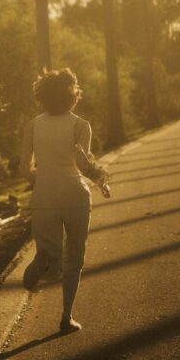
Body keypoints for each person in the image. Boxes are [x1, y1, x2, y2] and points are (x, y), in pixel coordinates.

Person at [19, 68, 110, 334]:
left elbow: (24, 169)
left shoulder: (33, 125)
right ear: (73, 95)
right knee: (75, 259)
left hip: (44, 198)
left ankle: (44, 261)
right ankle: (66, 317)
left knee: (51, 256)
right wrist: (102, 181)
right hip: (75, 196)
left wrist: (44, 180)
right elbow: (83, 163)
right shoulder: (80, 125)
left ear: (42, 96)